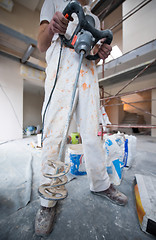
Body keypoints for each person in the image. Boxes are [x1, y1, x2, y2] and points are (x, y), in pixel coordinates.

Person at [35, 0, 128, 236]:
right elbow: (41, 44)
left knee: (92, 131)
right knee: (55, 134)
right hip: (61, 66)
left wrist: (101, 51)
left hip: (87, 70)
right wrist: (52, 28)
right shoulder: (53, 2)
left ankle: (100, 184)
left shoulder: (93, 19)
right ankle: (48, 200)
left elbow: (96, 52)